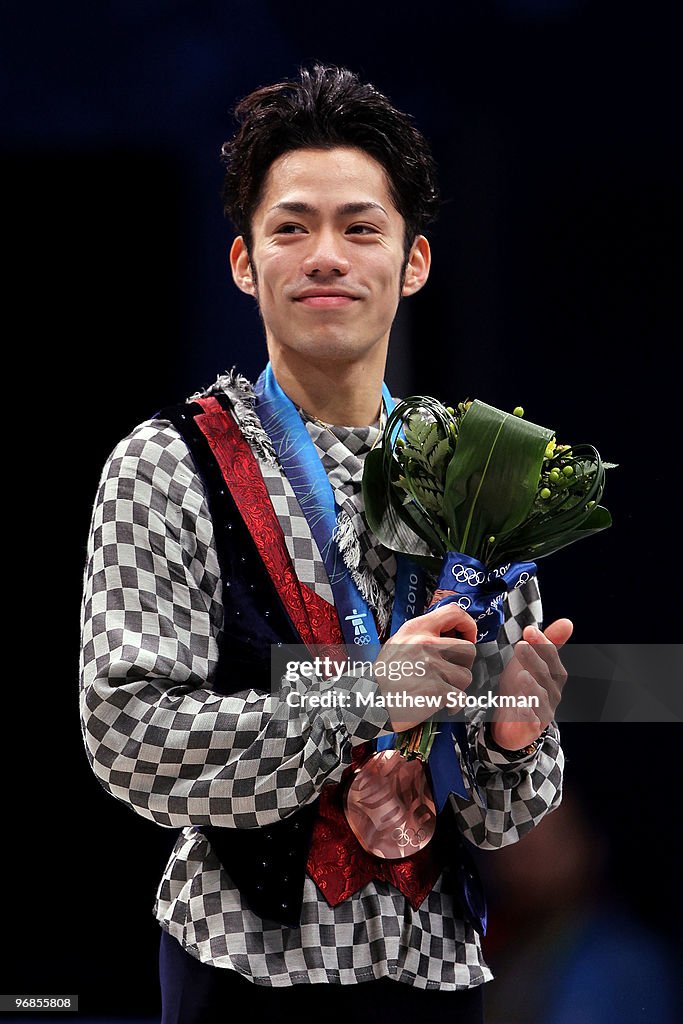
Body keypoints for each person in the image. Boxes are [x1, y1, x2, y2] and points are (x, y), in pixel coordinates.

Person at [79, 65, 572, 1024]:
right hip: (240, 975)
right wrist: (360, 693)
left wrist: (514, 738)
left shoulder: (479, 469)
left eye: (360, 227)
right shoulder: (163, 466)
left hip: (432, 973)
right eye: (291, 227)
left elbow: (507, 816)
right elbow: (125, 736)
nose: (325, 257)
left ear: (414, 261)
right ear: (243, 261)